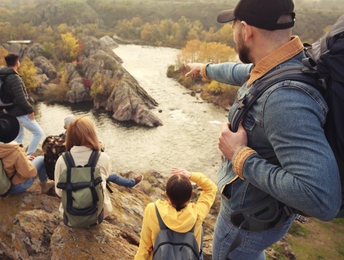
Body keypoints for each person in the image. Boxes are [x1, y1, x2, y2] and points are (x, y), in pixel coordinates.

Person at [185, 0, 341, 259]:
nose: (234, 34)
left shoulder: (284, 99)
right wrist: (205, 70)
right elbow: (245, 73)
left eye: (233, 27)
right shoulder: (290, 61)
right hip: (264, 214)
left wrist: (239, 156)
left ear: (246, 30)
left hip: (245, 223)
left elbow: (322, 199)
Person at [135, 168, 217, 259]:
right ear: (190, 196)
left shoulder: (153, 210)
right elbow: (211, 188)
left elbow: (144, 247)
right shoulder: (197, 213)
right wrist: (191, 175)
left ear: (166, 194)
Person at [54, 116, 114, 218]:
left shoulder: (62, 160)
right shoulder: (103, 158)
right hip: (98, 213)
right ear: (92, 134)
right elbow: (106, 178)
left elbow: (59, 192)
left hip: (70, 214)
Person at [0, 114, 54, 194]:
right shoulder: (15, 151)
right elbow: (29, 173)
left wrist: (24, 158)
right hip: (13, 188)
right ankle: (44, 187)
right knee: (41, 159)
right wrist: (27, 162)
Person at [0, 53, 44, 156]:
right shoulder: (13, 78)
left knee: (19, 137)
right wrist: (30, 110)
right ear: (17, 62)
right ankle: (28, 156)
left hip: (11, 111)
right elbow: (20, 98)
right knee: (38, 133)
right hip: (19, 112)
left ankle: (16, 156)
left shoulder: (4, 76)